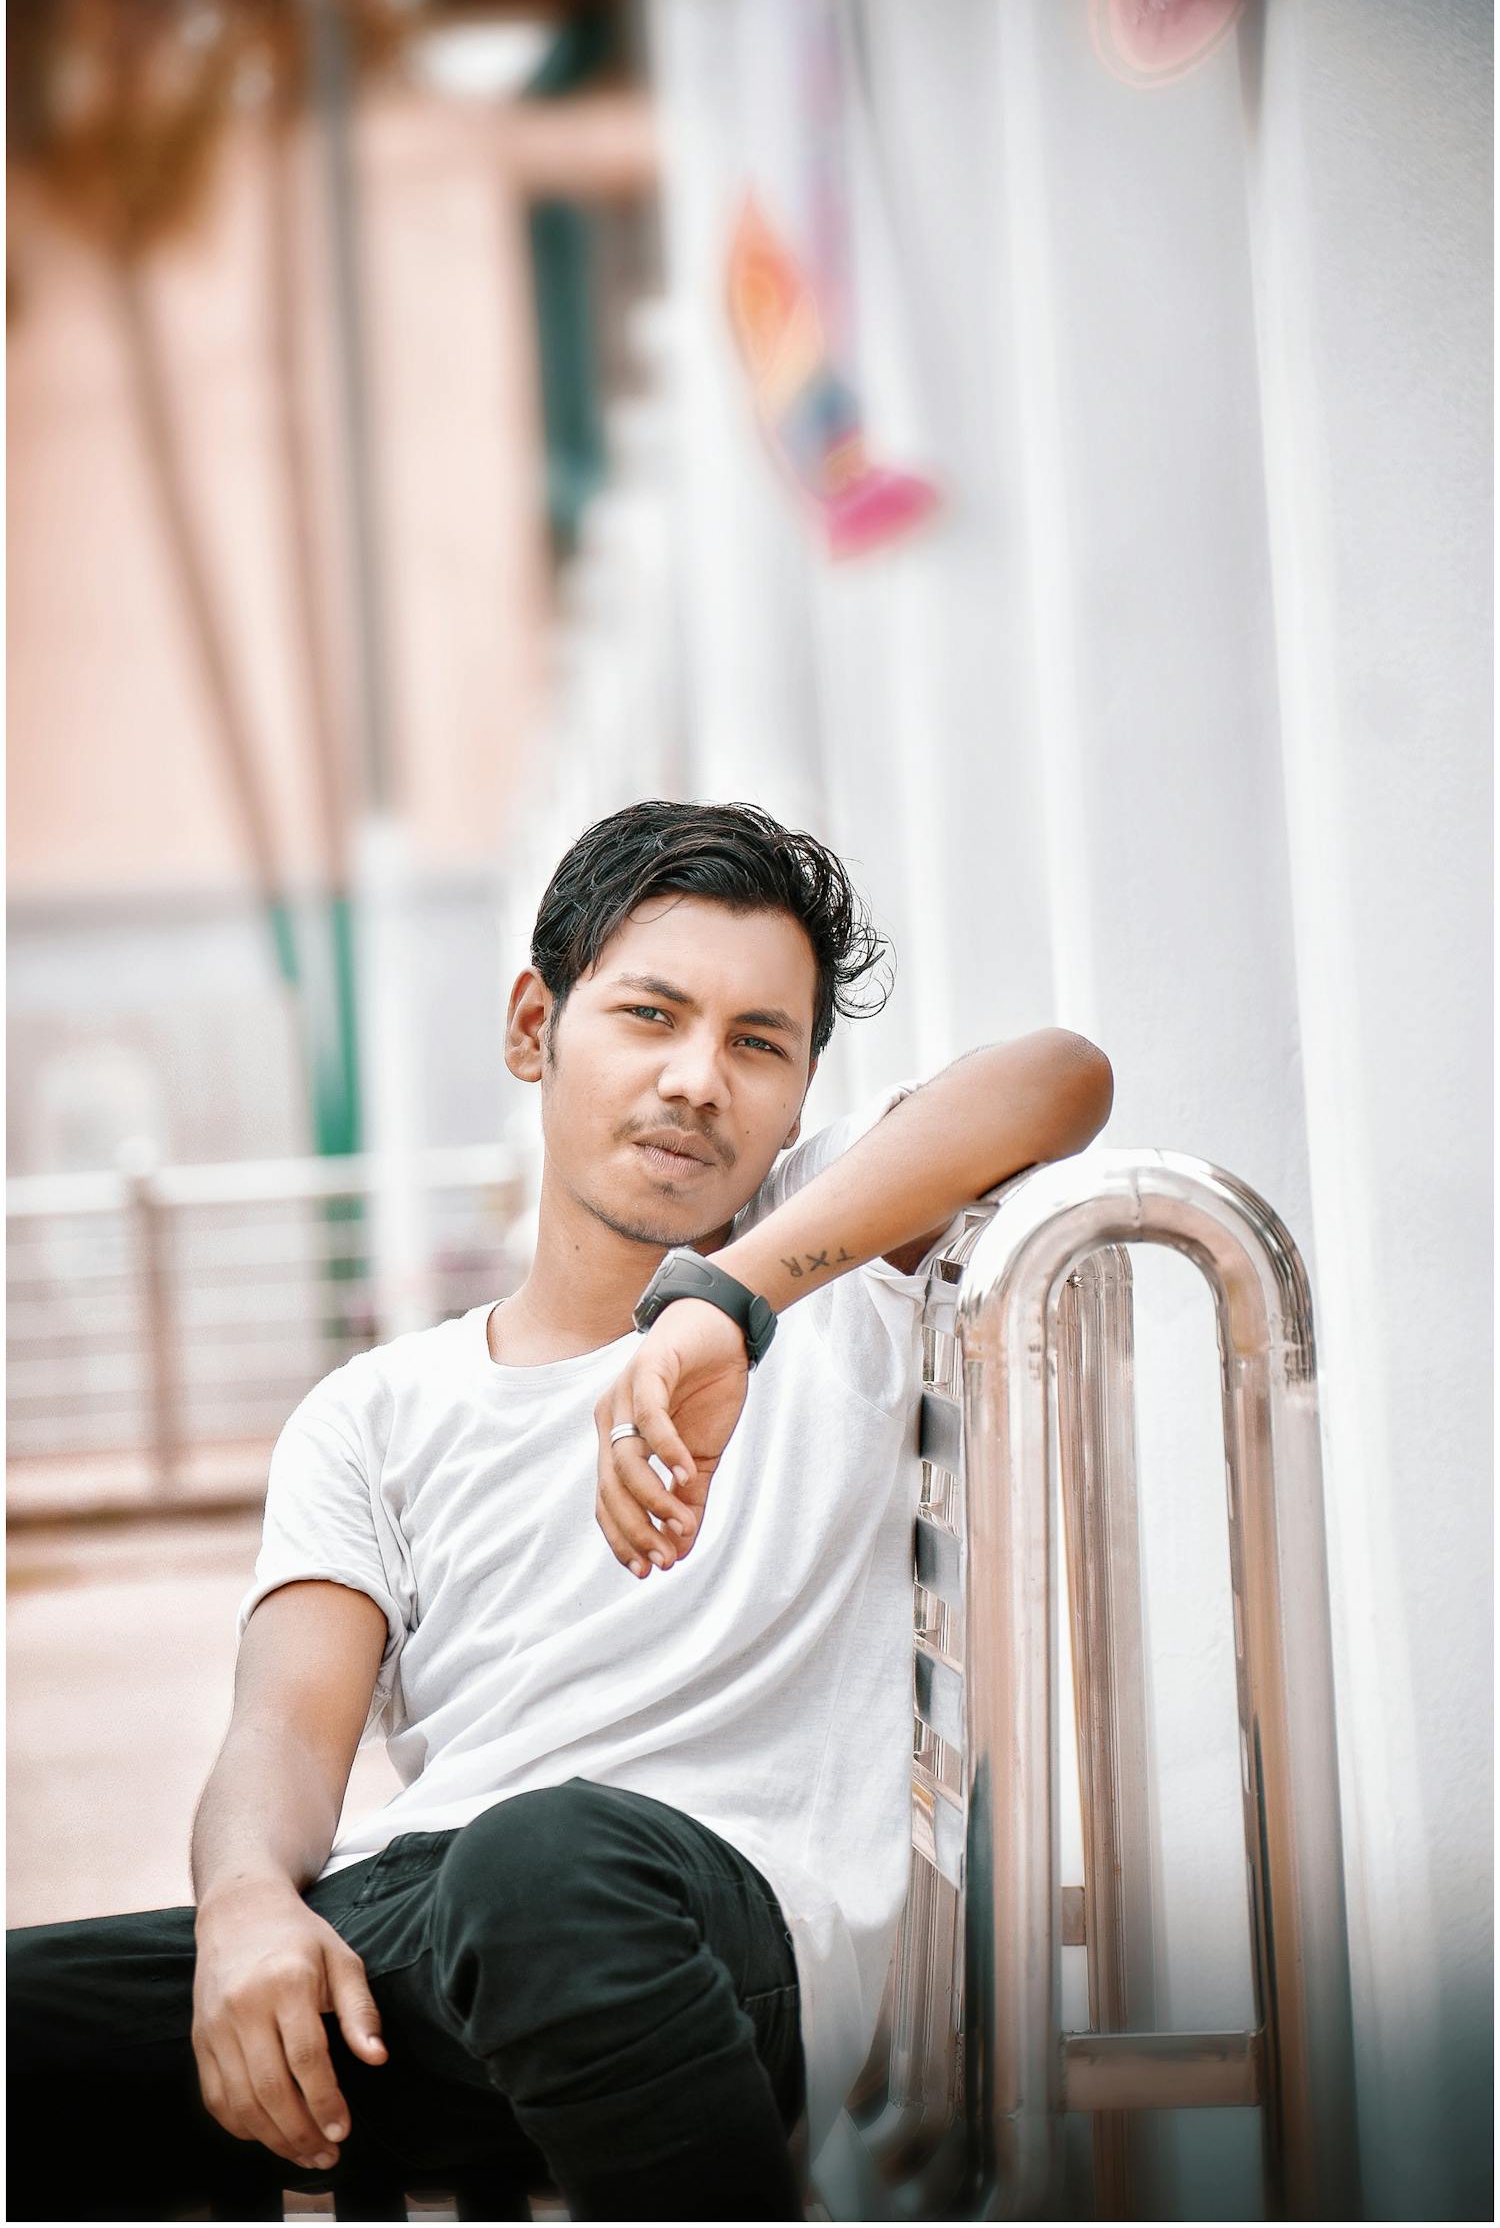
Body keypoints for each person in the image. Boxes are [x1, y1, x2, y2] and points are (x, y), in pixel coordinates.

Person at [7, 800, 1113, 2223]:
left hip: (700, 1928)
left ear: (798, 1097)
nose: (697, 1079)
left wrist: (727, 1299)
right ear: (536, 1026)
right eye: (651, 1014)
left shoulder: (833, 1271)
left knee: (546, 1861)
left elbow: (1058, 1078)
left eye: (758, 1043)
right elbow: (281, 1732)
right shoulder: (374, 1410)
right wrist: (244, 1910)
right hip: (424, 1933)